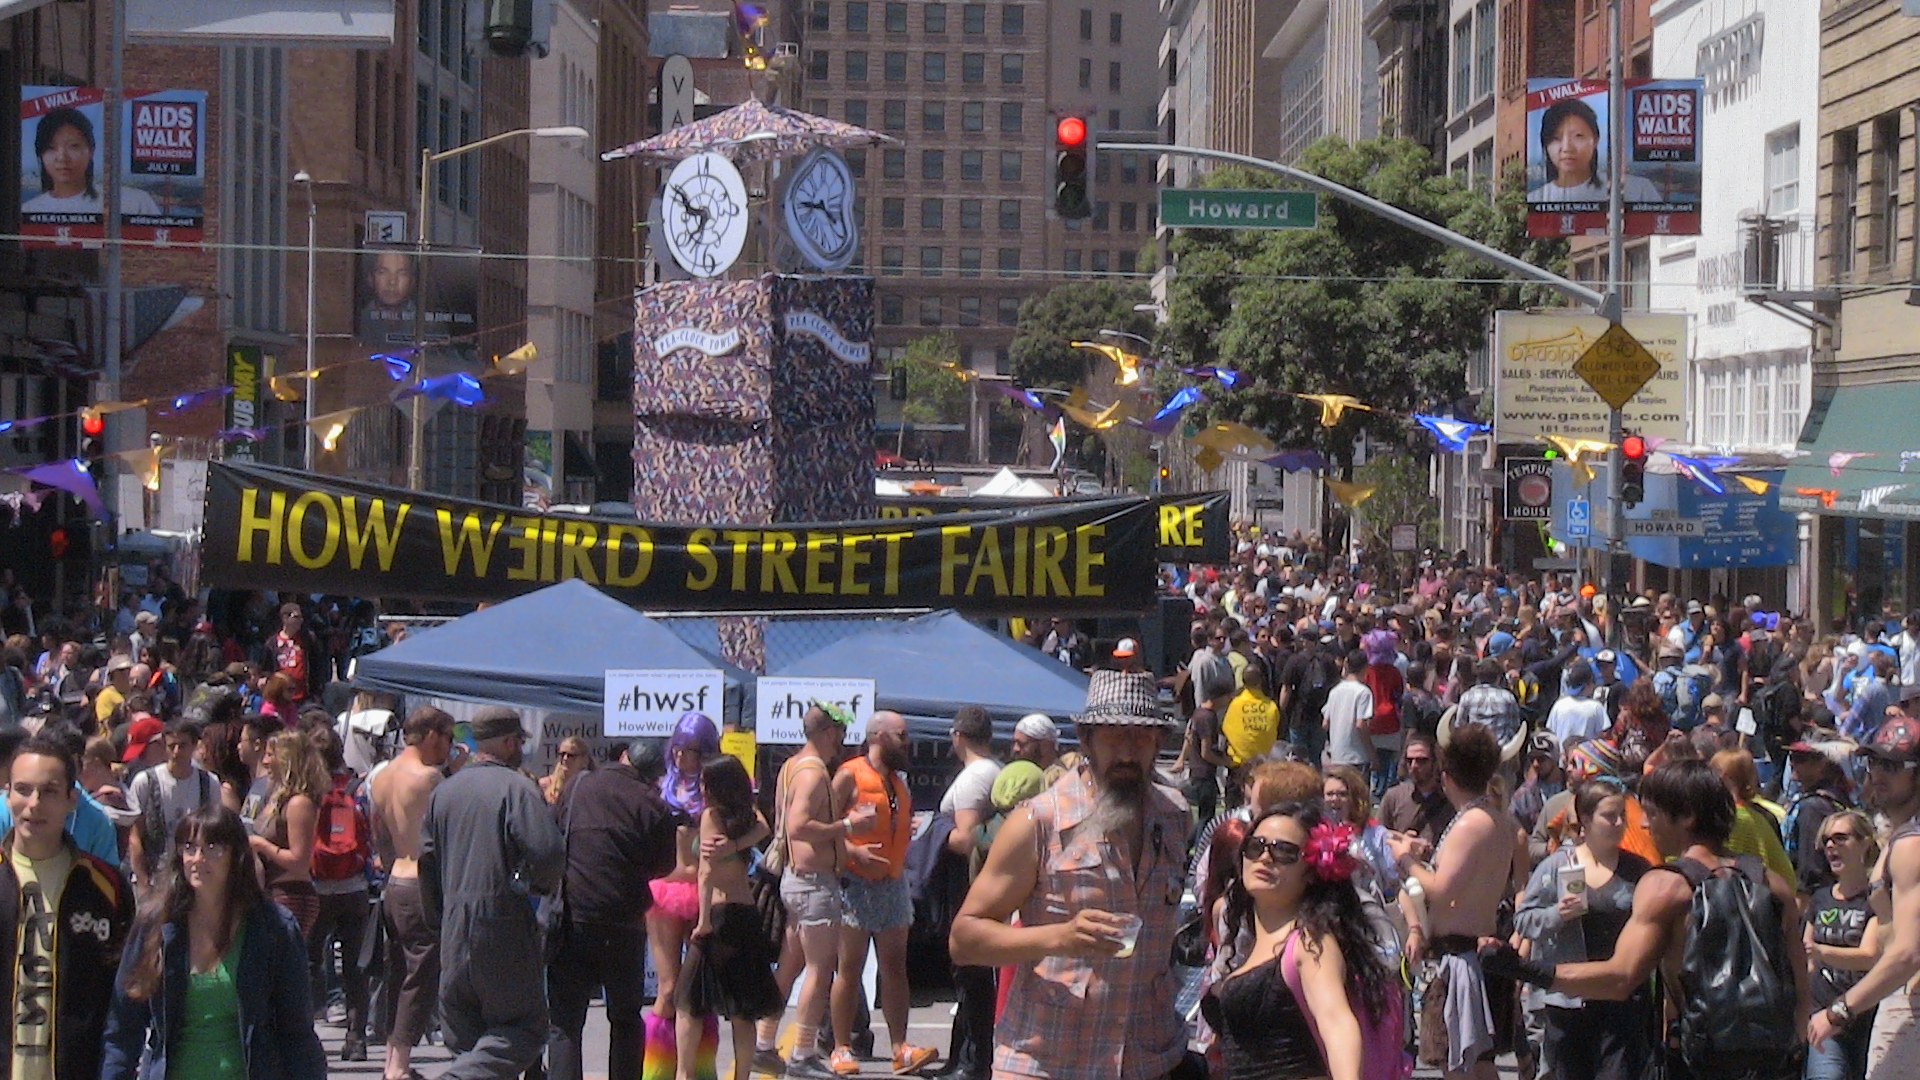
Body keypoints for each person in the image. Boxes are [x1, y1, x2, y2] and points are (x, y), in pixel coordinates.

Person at [1484, 760, 1811, 1080]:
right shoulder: (1772, 883)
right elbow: (1799, 982)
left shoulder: (1665, 886)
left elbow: (1619, 979)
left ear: (1686, 817)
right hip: (1773, 1058)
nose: (1643, 825)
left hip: (1702, 1059)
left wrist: (1524, 970)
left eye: (1651, 814)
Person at [950, 670, 1191, 1080]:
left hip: (1146, 1059)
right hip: (1048, 1059)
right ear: (1085, 740)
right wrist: (1058, 937)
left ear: (1158, 743)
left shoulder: (1174, 817)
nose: (1128, 753)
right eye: (1114, 737)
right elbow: (964, 940)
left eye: (1140, 737)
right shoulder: (1038, 822)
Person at [99, 804, 328, 1080]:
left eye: (213, 847)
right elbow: (123, 1026)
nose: (198, 858)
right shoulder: (154, 924)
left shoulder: (273, 928)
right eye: (190, 847)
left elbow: (298, 1034)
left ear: (236, 856)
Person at [1203, 802, 1400, 1080]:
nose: (1265, 858)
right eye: (1255, 846)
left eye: (1284, 851)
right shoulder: (1248, 938)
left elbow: (1336, 1023)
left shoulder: (1311, 942)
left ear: (1311, 872)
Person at [419, 706, 564, 1080]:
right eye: (517, 742)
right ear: (506, 742)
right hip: (502, 922)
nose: (520, 750)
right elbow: (548, 853)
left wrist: (439, 919)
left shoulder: (444, 792)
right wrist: (538, 886)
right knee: (525, 1028)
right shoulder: (517, 788)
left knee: (467, 1037)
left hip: (453, 924)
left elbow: (426, 860)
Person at [1386, 723, 1524, 1080]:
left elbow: (1441, 888)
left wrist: (1404, 858)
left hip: (1461, 960)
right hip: (1474, 955)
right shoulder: (1497, 820)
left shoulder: (1471, 823)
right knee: (1478, 1067)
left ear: (1446, 776)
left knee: (1460, 1068)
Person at [0, 733, 134, 1080]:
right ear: (7, 793)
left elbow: (123, 1003)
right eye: (23, 790)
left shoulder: (105, 887)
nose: (34, 804)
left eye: (49, 792)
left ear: (72, 799)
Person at [546, 737, 681, 1080]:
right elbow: (663, 866)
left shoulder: (579, 786)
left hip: (573, 914)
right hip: (624, 921)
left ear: (624, 758)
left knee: (565, 1021)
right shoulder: (654, 806)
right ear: (653, 775)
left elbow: (555, 832)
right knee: (624, 1018)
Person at [1514, 778, 1653, 1080]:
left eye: (1622, 816)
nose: (1619, 823)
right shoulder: (1558, 866)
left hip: (1622, 1000)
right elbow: (1524, 920)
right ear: (1586, 820)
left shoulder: (1638, 870)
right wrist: (1556, 914)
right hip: (1569, 1001)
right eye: (1609, 816)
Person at [1807, 716, 1920, 1078]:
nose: (1878, 774)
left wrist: (1840, 1010)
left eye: (1893, 765)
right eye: (1874, 762)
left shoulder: (1910, 845)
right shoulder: (1902, 837)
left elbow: (1908, 951)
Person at [829, 711, 940, 1074]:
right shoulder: (849, 774)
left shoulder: (897, 781)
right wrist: (851, 851)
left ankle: (900, 1048)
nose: (907, 743)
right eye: (901, 736)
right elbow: (822, 828)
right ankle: (841, 1047)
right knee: (850, 968)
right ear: (877, 736)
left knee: (894, 967)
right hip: (855, 883)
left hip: (892, 883)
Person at [777, 703, 875, 1080]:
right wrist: (848, 824)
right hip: (813, 882)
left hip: (798, 879)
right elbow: (799, 824)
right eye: (840, 732)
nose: (843, 740)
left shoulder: (791, 766)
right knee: (819, 971)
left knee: (790, 967)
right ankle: (801, 1054)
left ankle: (766, 1046)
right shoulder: (815, 772)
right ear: (830, 732)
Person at [676, 756, 784, 1080]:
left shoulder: (712, 815)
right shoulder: (746, 816)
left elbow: (706, 873)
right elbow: (766, 827)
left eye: (706, 783)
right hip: (745, 914)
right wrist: (737, 844)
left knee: (689, 1001)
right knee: (743, 1008)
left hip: (719, 914)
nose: (702, 788)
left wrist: (703, 921)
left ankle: (684, 1074)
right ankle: (742, 1076)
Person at [369, 705, 454, 1080]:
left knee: (399, 972)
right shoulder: (430, 778)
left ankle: (393, 1058)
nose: (450, 748)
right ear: (432, 735)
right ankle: (399, 1064)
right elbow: (443, 837)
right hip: (422, 881)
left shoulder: (382, 777)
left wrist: (391, 866)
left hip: (395, 880)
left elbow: (381, 835)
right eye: (449, 739)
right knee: (421, 974)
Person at [936, 704, 1000, 1080]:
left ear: (957, 737)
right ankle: (962, 1056)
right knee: (967, 972)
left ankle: (973, 1062)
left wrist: (934, 831)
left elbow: (968, 838)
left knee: (970, 972)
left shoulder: (975, 776)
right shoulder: (989, 770)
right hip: (974, 883)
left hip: (968, 882)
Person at [307, 723, 373, 1063]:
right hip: (354, 889)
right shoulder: (356, 787)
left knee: (309, 962)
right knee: (354, 966)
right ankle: (356, 1036)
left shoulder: (307, 791)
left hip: (316, 889)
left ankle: (305, 1033)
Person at [654, 712, 722, 1035]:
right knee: (668, 988)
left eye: (690, 749)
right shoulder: (662, 786)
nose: (681, 755)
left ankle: (697, 1063)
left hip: (705, 889)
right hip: (667, 890)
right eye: (677, 748)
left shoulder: (717, 787)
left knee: (698, 989)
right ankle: (657, 1066)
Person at [1803, 810, 1880, 1080]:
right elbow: (1807, 959)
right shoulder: (1820, 899)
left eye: (1840, 838)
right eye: (1826, 841)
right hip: (1823, 1018)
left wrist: (1822, 951)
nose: (1831, 847)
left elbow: (1869, 955)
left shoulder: (1877, 900)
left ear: (1865, 843)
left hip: (1865, 1019)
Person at [124, 720, 219, 893]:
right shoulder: (145, 782)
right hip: (154, 879)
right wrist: (143, 881)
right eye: (171, 746)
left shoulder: (209, 783)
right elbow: (135, 836)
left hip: (194, 878)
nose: (176, 752)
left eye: (182, 746)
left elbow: (215, 833)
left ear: (194, 746)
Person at [250, 728, 325, 937]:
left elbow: (300, 861)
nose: (264, 762)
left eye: (270, 755)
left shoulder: (299, 803)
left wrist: (260, 845)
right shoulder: (276, 798)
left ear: (288, 759)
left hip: (291, 896)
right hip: (271, 893)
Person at [1784, 737, 1856, 896]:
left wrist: (1805, 903)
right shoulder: (1834, 796)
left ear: (1821, 765)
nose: (1792, 763)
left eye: (1800, 759)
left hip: (1814, 899)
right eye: (1792, 757)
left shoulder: (1813, 807)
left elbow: (1812, 868)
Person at [1377, 734, 1454, 847]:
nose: (1414, 766)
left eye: (1421, 760)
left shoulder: (1451, 800)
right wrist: (1402, 840)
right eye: (1409, 760)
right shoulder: (1393, 796)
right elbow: (1376, 836)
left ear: (1435, 762)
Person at [1322, 651, 1374, 776]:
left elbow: (1325, 724)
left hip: (1336, 755)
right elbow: (1361, 724)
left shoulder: (1334, 691)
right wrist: (1372, 754)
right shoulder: (1363, 692)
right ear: (1365, 668)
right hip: (1357, 756)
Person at [1224, 656, 1283, 767]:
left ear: (1243, 681)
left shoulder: (1235, 704)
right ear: (1261, 681)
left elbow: (1226, 728)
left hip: (1239, 764)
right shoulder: (1271, 707)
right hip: (1264, 763)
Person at [1548, 660, 1609, 748]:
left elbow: (1551, 733)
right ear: (1589, 683)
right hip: (1587, 759)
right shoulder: (1596, 707)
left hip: (1563, 759)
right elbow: (1602, 735)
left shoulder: (1559, 705)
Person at [269, 603, 310, 704]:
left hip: (303, 696)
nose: (300, 620)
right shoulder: (272, 643)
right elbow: (267, 668)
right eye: (296, 617)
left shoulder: (307, 639)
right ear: (285, 618)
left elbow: (317, 664)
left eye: (301, 617)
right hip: (281, 696)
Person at [542, 736, 594, 805]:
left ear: (584, 760)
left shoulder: (593, 787)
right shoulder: (545, 785)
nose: (565, 758)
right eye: (562, 754)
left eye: (571, 755)